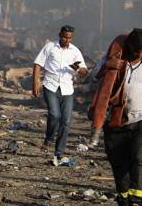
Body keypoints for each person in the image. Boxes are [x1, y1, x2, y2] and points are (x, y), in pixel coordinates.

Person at [89, 29, 142, 204]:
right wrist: (109, 66)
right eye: (137, 51)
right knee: (119, 166)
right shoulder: (115, 58)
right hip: (116, 122)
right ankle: (124, 197)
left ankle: (137, 199)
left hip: (140, 121)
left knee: (138, 159)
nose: (139, 54)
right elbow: (93, 75)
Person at [32, 25, 88, 165]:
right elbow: (38, 64)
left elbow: (84, 72)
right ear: (59, 34)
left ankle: (59, 152)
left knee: (66, 121)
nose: (66, 40)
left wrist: (78, 69)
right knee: (54, 115)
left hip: (67, 89)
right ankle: (49, 138)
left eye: (69, 38)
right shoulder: (50, 47)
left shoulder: (75, 51)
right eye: (64, 37)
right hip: (50, 86)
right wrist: (35, 84)